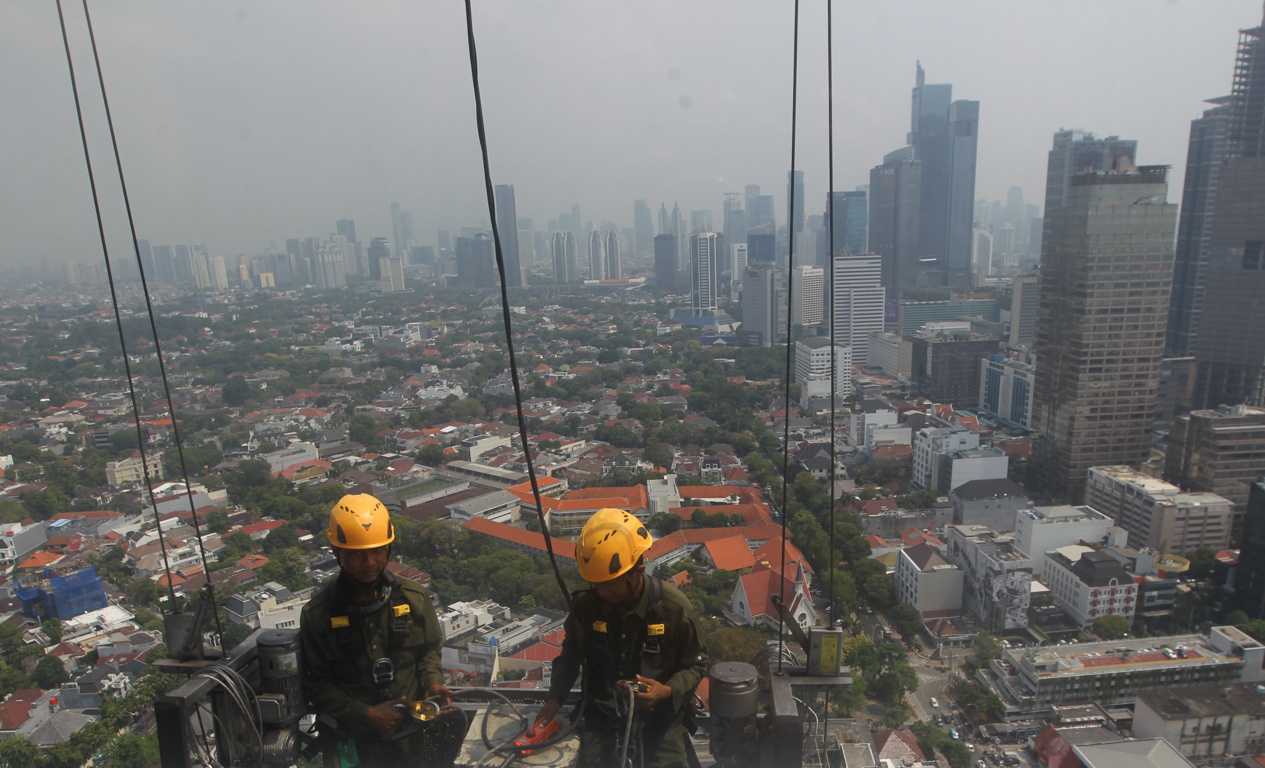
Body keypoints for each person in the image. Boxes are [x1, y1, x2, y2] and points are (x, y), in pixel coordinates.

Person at [531, 508, 708, 768]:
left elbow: (697, 664)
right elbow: (570, 656)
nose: (601, 592)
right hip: (603, 715)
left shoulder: (672, 609)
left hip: (659, 720)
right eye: (596, 584)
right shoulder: (587, 607)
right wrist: (554, 700)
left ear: (637, 569)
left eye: (609, 584)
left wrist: (666, 690)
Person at [299, 493, 458, 768]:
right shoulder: (319, 615)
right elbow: (315, 684)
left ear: (389, 549)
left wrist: (433, 681)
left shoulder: (412, 599)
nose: (370, 563)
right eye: (358, 555)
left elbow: (428, 651)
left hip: (412, 737)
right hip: (353, 741)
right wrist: (366, 714)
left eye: (377, 552)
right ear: (338, 554)